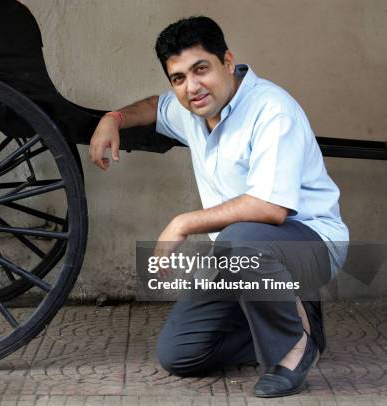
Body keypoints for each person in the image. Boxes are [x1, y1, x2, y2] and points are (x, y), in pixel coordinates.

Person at [89, 16, 348, 398]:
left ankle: (294, 348)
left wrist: (182, 223)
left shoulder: (271, 109)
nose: (191, 87)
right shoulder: (192, 109)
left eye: (200, 69)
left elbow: (270, 207)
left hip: (310, 245)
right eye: (178, 78)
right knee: (180, 353)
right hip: (242, 256)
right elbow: (154, 107)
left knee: (239, 237)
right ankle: (297, 320)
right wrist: (113, 119)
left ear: (228, 61)